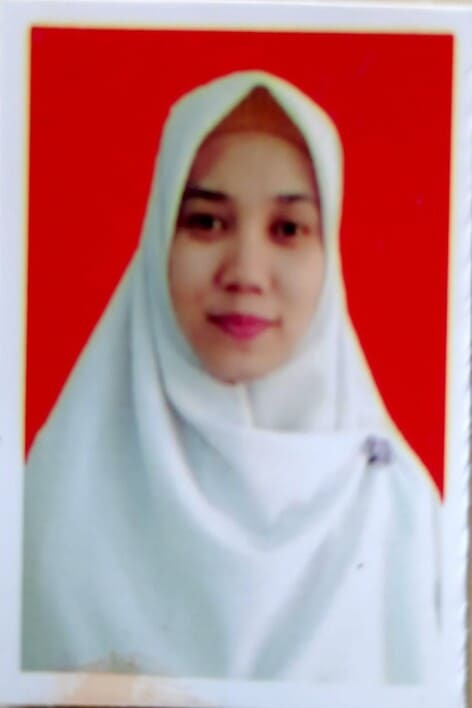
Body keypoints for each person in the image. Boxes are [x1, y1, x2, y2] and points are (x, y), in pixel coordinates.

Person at [22, 70, 440, 683]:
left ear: (329, 256)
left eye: (287, 229)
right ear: (158, 240)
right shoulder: (56, 496)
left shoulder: (399, 510)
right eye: (206, 222)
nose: (245, 272)